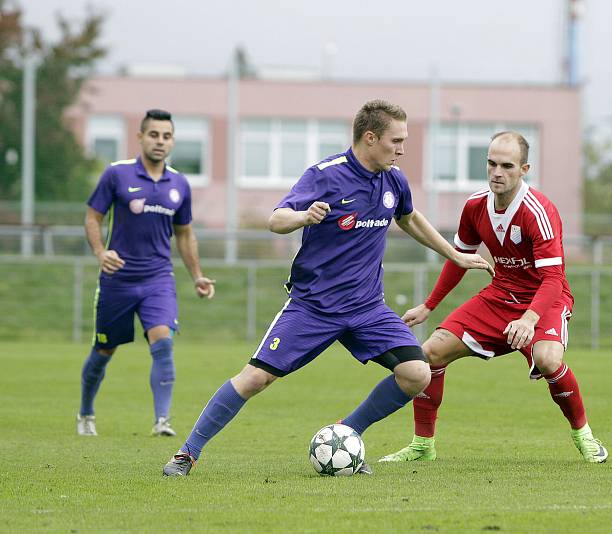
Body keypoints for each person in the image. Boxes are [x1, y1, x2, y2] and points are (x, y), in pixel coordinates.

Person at [162, 99, 493, 477]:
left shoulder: (394, 179)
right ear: (370, 138)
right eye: (396, 140)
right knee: (255, 377)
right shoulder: (325, 175)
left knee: (417, 372)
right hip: (313, 307)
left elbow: (409, 217)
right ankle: (187, 453)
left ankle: (345, 435)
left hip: (368, 308)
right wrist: (304, 216)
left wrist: (455, 254)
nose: (402, 149)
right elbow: (276, 219)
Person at [379, 131, 608, 464]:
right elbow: (460, 259)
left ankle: (583, 435)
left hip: (544, 299)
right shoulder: (475, 206)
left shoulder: (537, 211)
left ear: (524, 168)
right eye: (491, 163)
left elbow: (554, 279)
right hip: (500, 296)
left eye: (507, 165)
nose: (497, 172)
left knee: (548, 360)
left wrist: (530, 319)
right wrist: (429, 305)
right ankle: (422, 445)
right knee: (430, 352)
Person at [77, 109, 216, 438]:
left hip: (158, 280)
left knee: (163, 341)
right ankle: (85, 412)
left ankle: (162, 421)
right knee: (104, 350)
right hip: (118, 280)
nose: (160, 141)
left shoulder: (180, 183)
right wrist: (100, 253)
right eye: (154, 135)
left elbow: (184, 234)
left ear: (172, 142)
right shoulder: (116, 175)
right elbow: (93, 218)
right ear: (140, 137)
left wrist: (197, 275)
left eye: (167, 136)